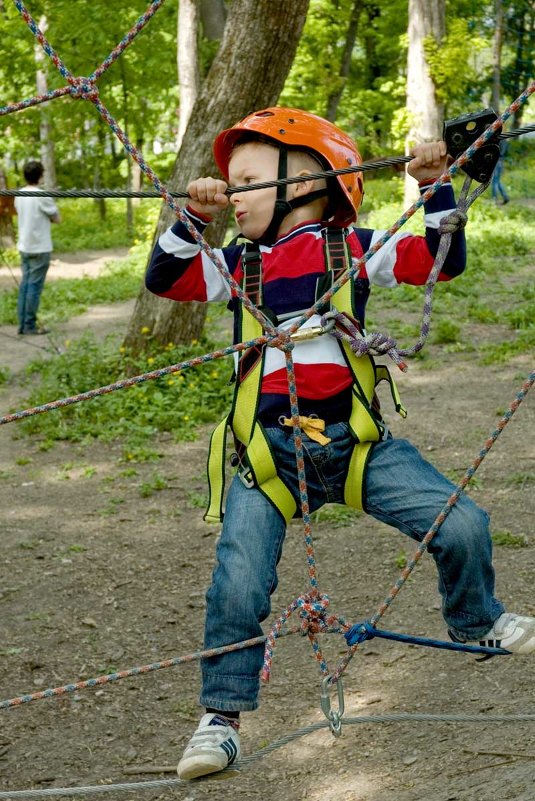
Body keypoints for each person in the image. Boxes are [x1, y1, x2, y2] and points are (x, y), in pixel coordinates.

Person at [146, 107, 535, 781]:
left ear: (306, 182)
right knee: (236, 584)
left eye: (242, 181)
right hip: (266, 458)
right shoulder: (236, 266)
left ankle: (473, 620)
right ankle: (221, 718)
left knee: (463, 523)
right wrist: (192, 216)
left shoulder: (351, 250)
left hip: (354, 446)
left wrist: (435, 187)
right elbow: (165, 278)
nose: (230, 194)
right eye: (227, 185)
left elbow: (442, 260)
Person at [14, 160, 60, 335]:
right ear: (40, 176)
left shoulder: (19, 194)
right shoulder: (42, 195)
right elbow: (57, 218)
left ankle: (23, 323)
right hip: (40, 248)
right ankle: (29, 325)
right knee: (34, 287)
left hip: (24, 246)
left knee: (25, 285)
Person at [491, 139, 510, 205]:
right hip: (501, 162)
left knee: (494, 182)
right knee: (497, 181)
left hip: (496, 162)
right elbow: (506, 152)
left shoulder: (498, 140)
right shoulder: (506, 142)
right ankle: (505, 197)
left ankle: (494, 199)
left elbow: (494, 151)